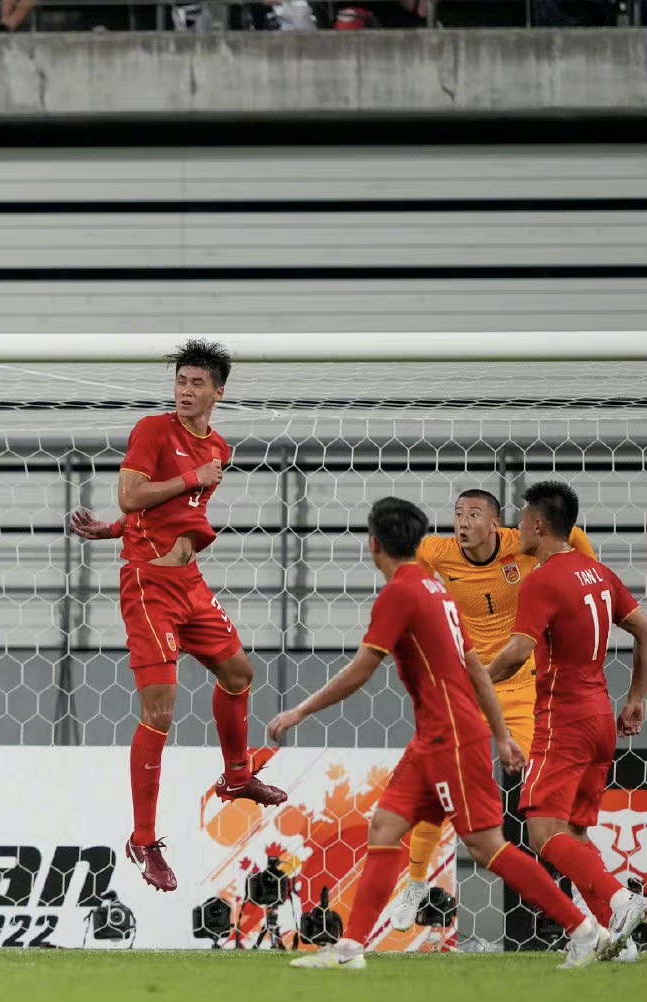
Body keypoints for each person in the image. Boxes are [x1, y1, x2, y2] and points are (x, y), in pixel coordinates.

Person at [269, 497, 610, 970]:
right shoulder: (437, 589)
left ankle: (584, 931)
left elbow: (363, 668)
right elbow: (474, 667)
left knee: (487, 847)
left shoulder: (401, 594)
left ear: (373, 545)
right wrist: (500, 733)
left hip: (451, 738)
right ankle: (350, 950)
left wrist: (299, 711)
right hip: (434, 737)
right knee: (385, 827)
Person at [69, 338, 284, 893]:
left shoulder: (218, 448)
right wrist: (190, 480)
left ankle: (236, 777)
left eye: (196, 383)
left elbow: (161, 514)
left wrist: (111, 530)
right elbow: (131, 495)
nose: (185, 391)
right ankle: (143, 840)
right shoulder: (153, 431)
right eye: (180, 382)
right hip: (149, 586)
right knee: (160, 711)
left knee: (239, 674)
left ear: (218, 392)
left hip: (190, 583)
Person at [391, 488, 596, 931]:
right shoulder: (437, 552)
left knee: (552, 792)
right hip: (469, 688)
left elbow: (575, 537)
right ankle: (417, 883)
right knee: (436, 783)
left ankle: (585, 886)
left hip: (522, 686)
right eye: (458, 513)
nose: (463, 522)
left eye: (473, 514)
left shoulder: (520, 544)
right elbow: (413, 578)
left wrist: (586, 578)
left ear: (495, 522)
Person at [483, 481, 647, 957]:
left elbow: (518, 653)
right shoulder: (598, 573)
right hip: (600, 719)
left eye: (520, 520)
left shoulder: (543, 580)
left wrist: (472, 684)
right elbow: (644, 629)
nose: (516, 529)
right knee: (573, 834)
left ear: (538, 525)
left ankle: (620, 901)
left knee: (542, 832)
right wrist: (637, 698)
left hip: (563, 721)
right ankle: (613, 941)